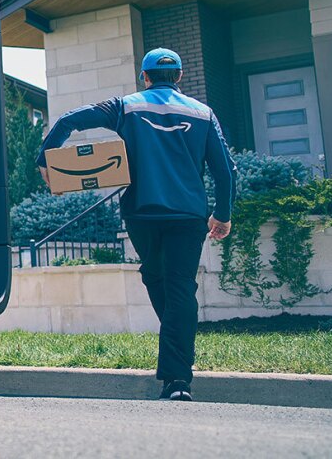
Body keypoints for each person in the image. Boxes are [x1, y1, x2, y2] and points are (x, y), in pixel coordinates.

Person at [37, 48, 235, 402]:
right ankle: (178, 370)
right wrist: (222, 213)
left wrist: (45, 161)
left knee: (160, 279)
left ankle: (176, 377)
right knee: (176, 286)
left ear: (145, 77)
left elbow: (69, 120)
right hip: (188, 216)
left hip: (141, 213)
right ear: (179, 76)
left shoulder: (125, 106)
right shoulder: (203, 113)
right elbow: (225, 169)